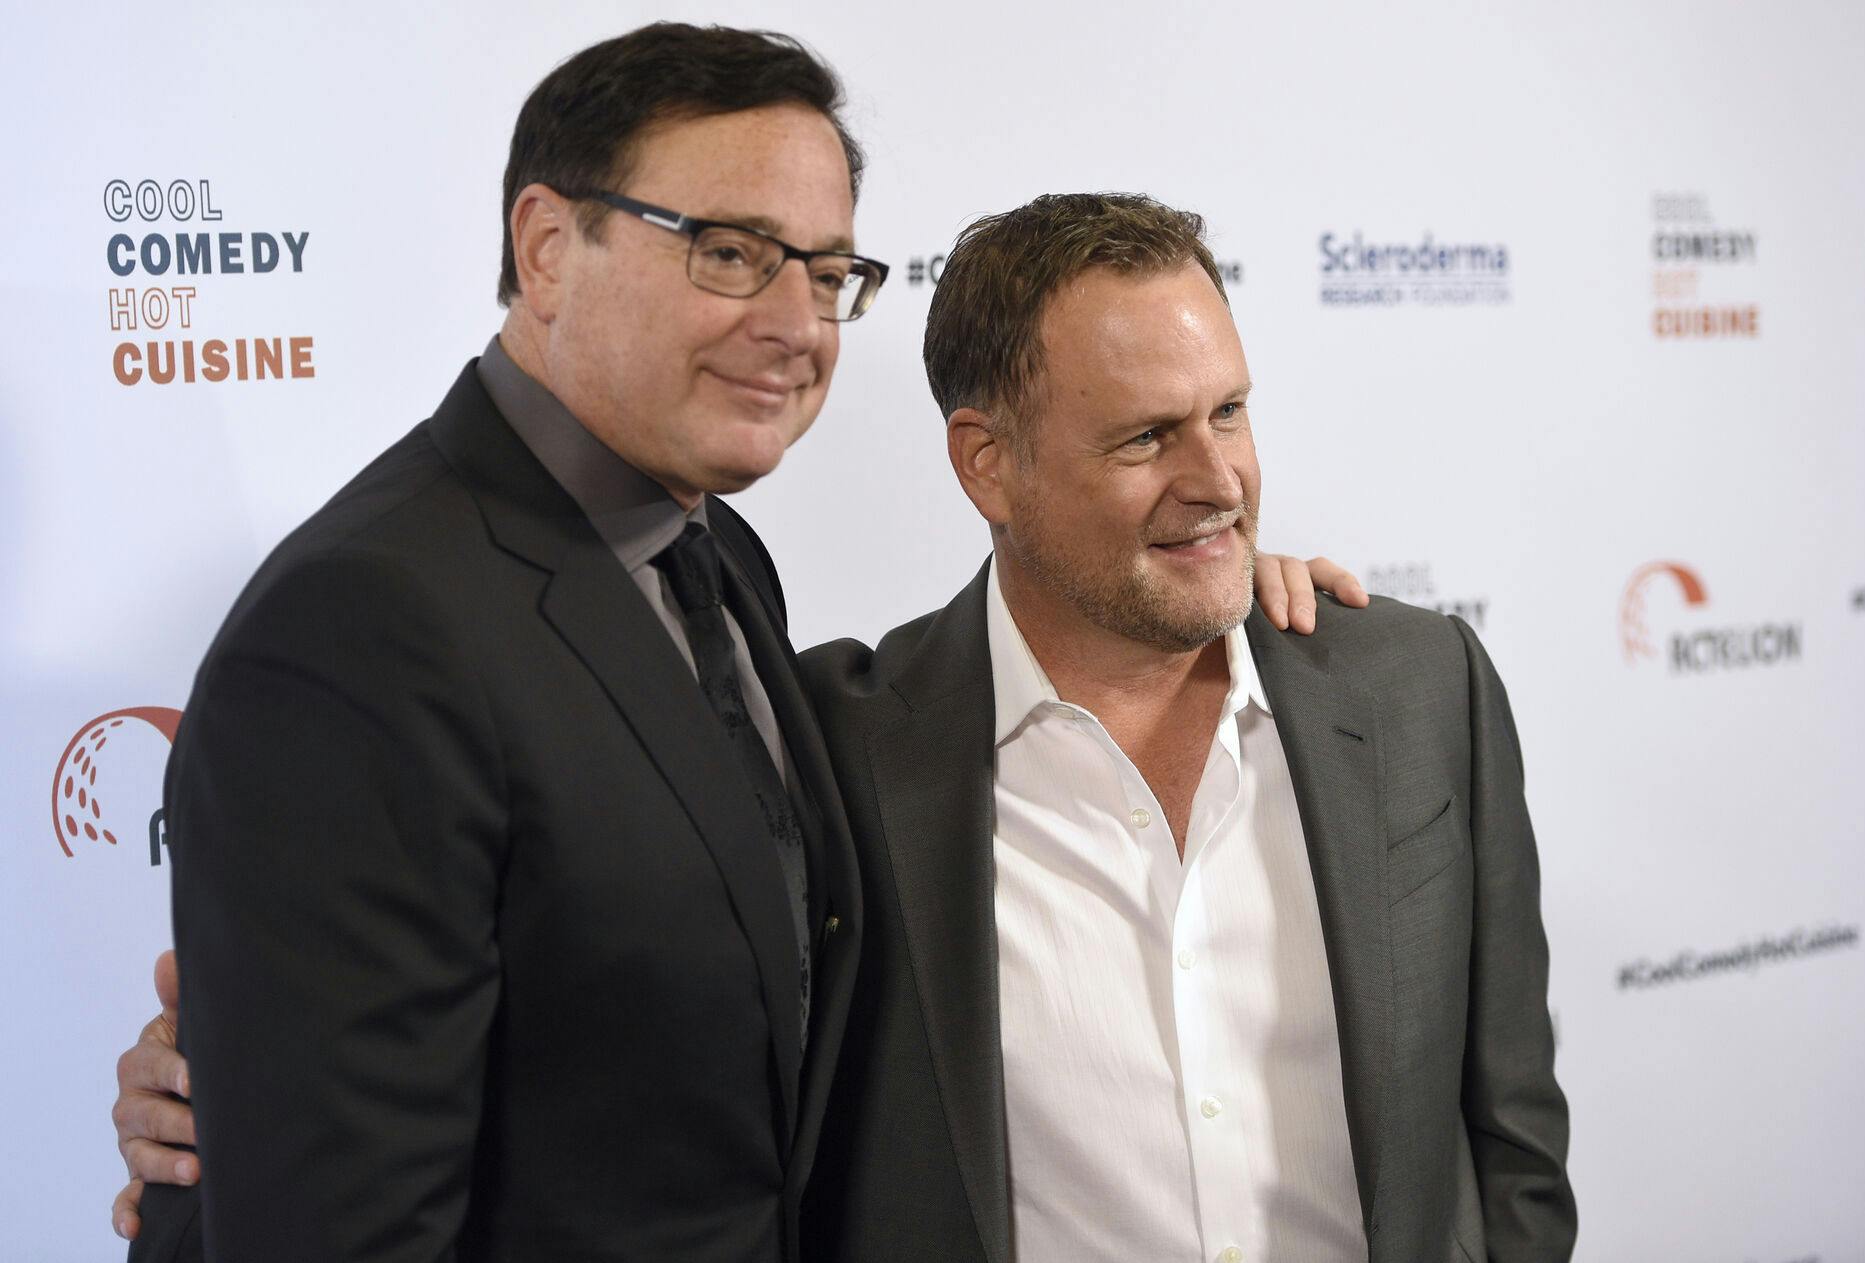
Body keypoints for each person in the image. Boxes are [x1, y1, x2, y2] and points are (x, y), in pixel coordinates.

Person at [106, 25, 1353, 1261]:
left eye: (824, 274)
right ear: (546, 247)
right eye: (732, 254)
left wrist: (1210, 588)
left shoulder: (713, 560)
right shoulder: (361, 627)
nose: (796, 324)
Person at [792, 194, 1575, 1261]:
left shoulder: (1418, 686)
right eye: (1147, 437)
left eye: (1230, 414)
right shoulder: (838, 751)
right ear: (988, 464)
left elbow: (1512, 1131)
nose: (1218, 484)